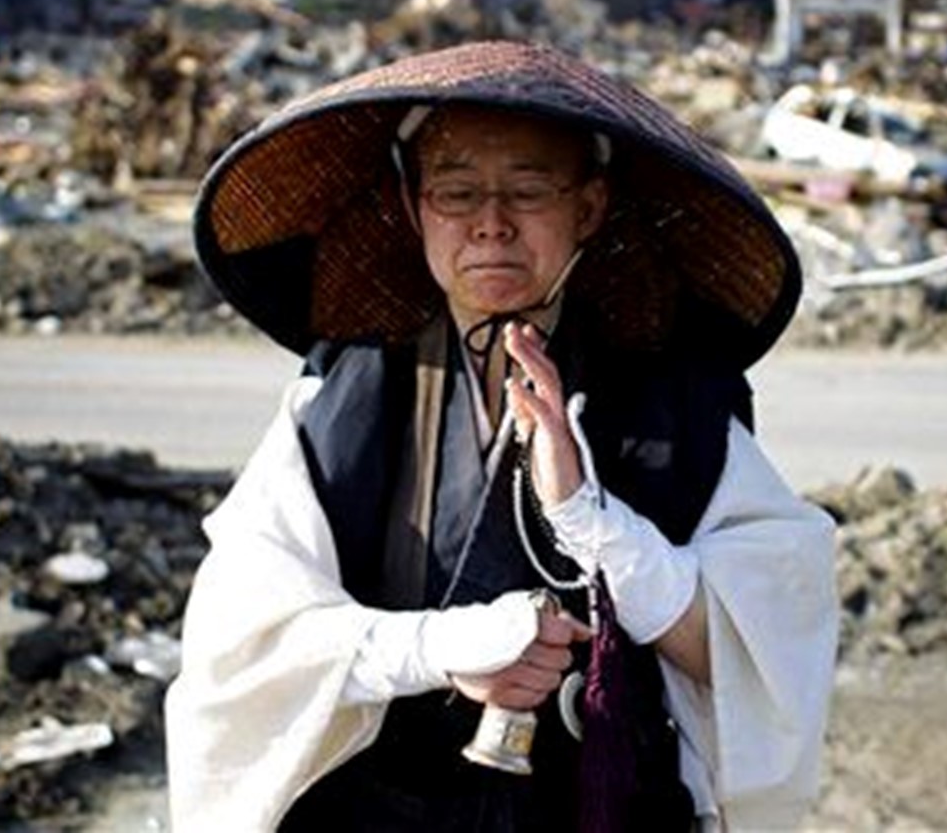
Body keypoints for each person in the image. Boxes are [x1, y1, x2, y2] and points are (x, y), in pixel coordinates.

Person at [167, 42, 836, 831]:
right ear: (415, 209)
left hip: (600, 806)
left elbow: (759, 647)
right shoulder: (344, 396)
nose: (491, 225)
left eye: (528, 191)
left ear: (588, 209)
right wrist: (440, 647)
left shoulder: (674, 403)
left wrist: (590, 517)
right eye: (456, 193)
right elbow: (244, 638)